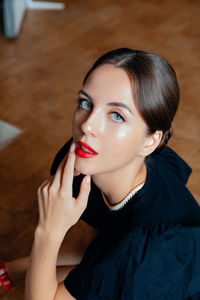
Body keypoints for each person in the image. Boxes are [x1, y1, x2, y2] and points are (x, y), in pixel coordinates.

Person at [1, 48, 200, 299]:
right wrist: (9, 269)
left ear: (150, 141)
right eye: (86, 103)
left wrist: (49, 231)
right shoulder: (103, 160)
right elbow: (92, 247)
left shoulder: (150, 249)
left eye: (117, 115)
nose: (87, 125)